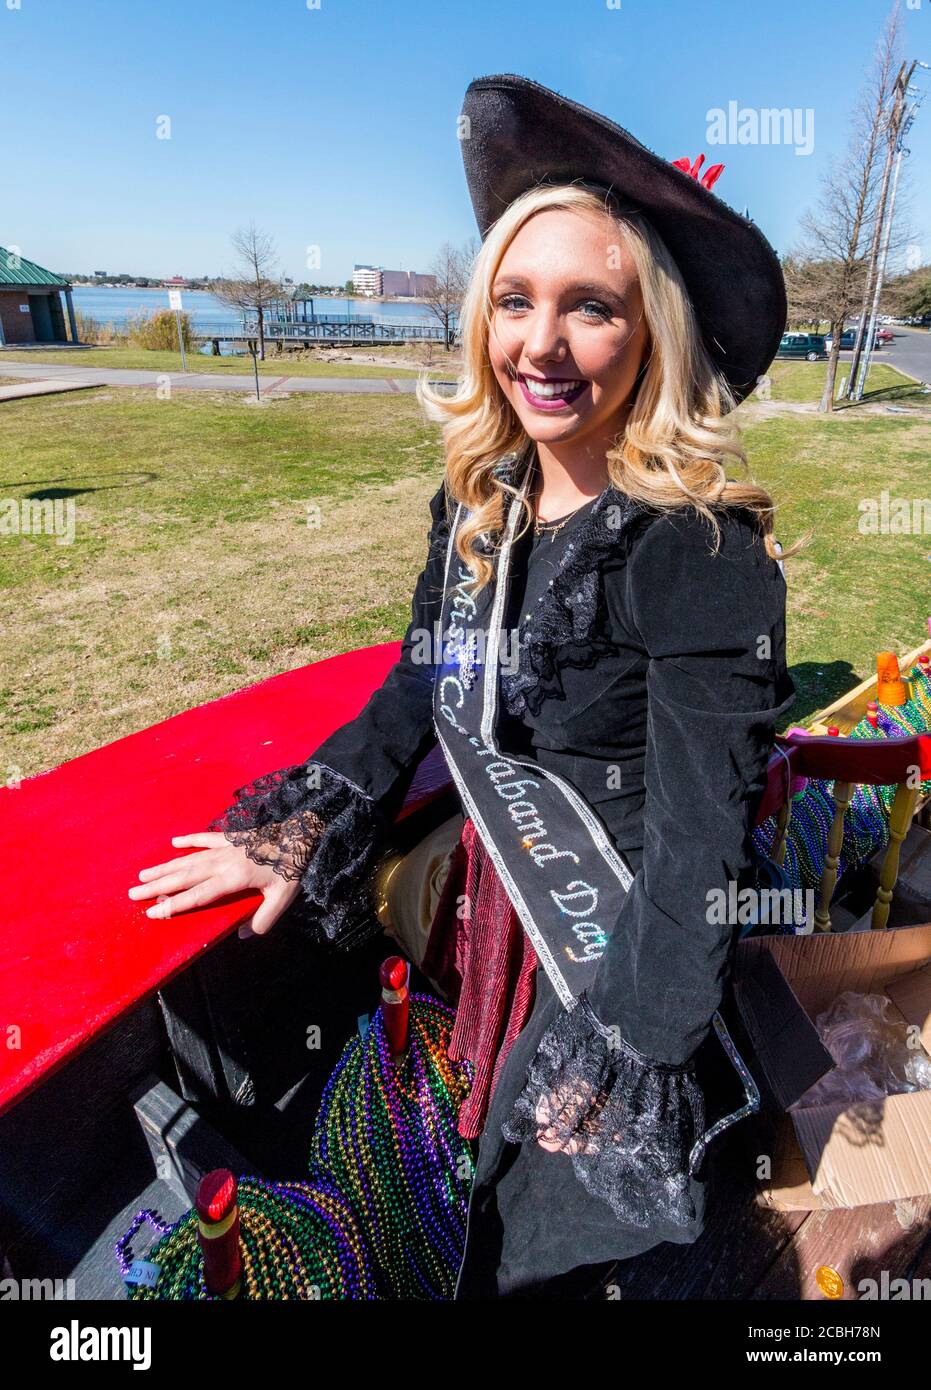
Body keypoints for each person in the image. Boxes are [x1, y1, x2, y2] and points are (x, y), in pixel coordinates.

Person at [129, 74, 801, 1299]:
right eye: (514, 301)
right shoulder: (482, 497)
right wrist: (300, 825)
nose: (539, 345)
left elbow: (702, 846)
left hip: (626, 948)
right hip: (502, 904)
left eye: (589, 308)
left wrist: (630, 1059)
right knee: (474, 1170)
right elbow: (422, 678)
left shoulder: (699, 553)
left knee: (547, 1249)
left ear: (652, 330)